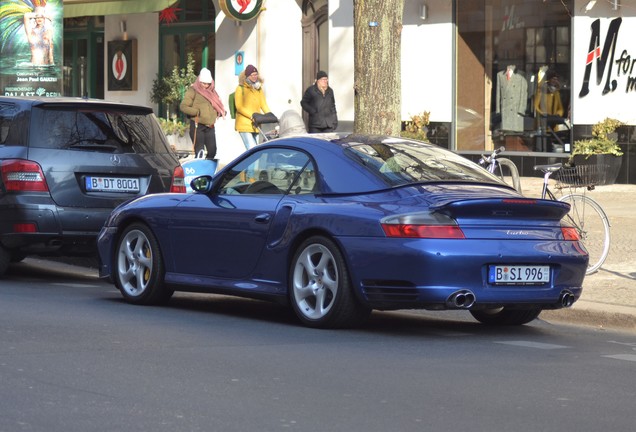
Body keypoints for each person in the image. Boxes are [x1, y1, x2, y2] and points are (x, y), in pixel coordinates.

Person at [179, 68, 226, 160]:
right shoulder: (193, 90)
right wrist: (197, 112)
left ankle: (207, 169)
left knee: (212, 151)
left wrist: (219, 112)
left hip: (210, 126)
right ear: (199, 81)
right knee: (199, 152)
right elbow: (183, 106)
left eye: (208, 83)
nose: (206, 86)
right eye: (204, 83)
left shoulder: (213, 92)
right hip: (198, 126)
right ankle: (199, 171)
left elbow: (214, 105)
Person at [234, 64, 271, 150]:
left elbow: (263, 104)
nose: (255, 76)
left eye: (256, 74)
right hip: (245, 124)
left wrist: (269, 115)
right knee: (252, 149)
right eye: (252, 75)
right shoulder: (240, 88)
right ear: (247, 76)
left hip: (256, 124)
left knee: (256, 152)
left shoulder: (258, 88)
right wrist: (252, 115)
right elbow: (239, 107)